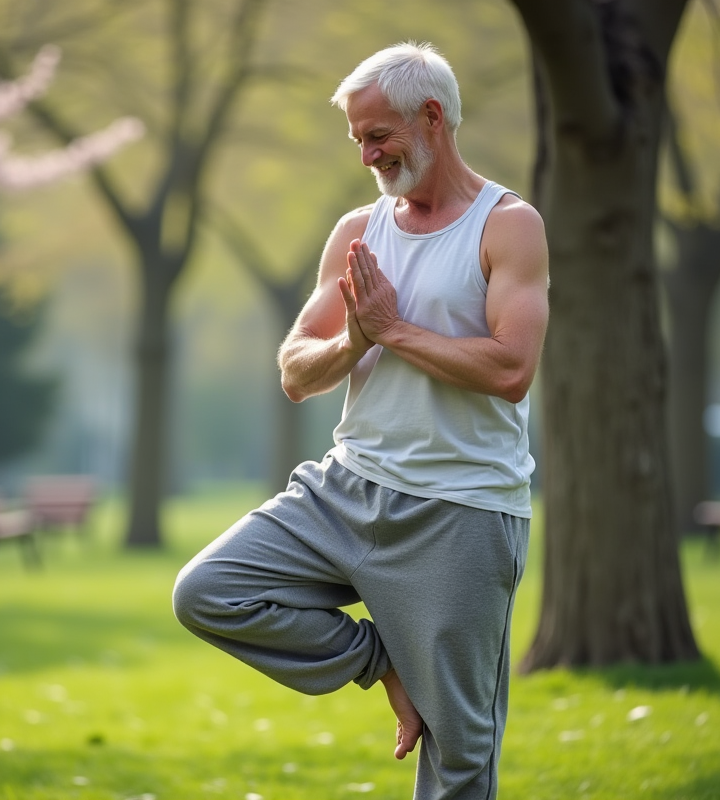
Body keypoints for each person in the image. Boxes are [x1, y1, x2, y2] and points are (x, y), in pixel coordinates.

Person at [173, 41, 549, 800]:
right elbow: (294, 370)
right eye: (359, 140)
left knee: (460, 758)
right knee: (207, 590)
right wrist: (355, 338)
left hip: (461, 512)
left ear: (433, 117)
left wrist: (396, 331)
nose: (368, 154)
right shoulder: (356, 233)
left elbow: (512, 370)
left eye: (379, 135)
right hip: (345, 492)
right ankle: (384, 660)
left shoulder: (507, 226)